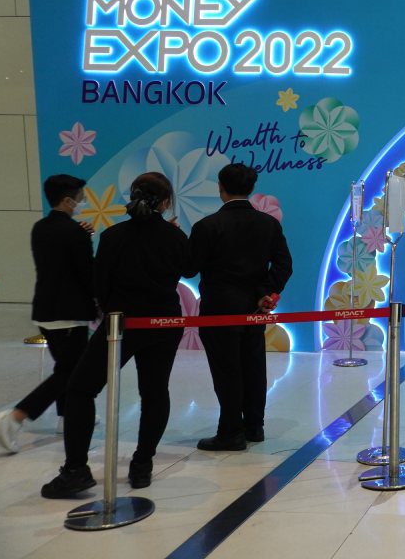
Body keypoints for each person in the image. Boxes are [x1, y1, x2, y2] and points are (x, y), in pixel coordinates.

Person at [41, 172, 191, 498]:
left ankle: (76, 469)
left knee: (81, 388)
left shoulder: (113, 236)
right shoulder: (175, 237)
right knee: (155, 391)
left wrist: (111, 309)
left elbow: (101, 284)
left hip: (119, 324)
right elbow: (188, 269)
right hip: (164, 324)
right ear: (166, 203)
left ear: (132, 196)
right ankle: (142, 465)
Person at [190, 163, 292, 451]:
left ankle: (230, 431)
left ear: (220, 188)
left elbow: (189, 268)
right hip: (253, 309)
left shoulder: (207, 226)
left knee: (226, 370)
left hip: (218, 309)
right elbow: (284, 264)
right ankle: (255, 426)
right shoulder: (268, 224)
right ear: (252, 188)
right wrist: (267, 292)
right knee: (253, 366)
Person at [0, 175, 96, 453]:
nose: (82, 203)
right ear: (68, 200)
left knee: (64, 366)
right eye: (80, 198)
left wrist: (82, 235)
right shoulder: (75, 232)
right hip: (69, 313)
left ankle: (66, 417)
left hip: (44, 310)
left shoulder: (40, 227)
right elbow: (86, 273)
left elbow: (59, 260)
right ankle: (16, 416)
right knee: (71, 372)